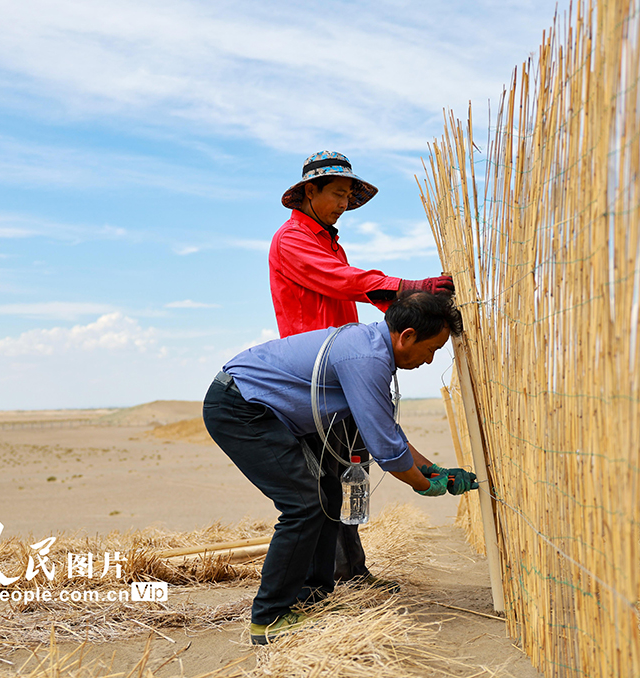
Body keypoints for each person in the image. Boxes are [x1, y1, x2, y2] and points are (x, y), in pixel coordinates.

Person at [202, 291, 477, 645]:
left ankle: (311, 598)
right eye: (433, 349)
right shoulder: (366, 356)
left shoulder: (370, 349)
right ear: (407, 336)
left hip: (263, 411)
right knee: (304, 502)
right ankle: (269, 617)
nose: (430, 360)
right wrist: (424, 485)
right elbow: (385, 448)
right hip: (240, 408)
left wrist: (431, 468)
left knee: (327, 495)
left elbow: (386, 430)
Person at [270, 150, 455, 585]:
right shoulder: (293, 239)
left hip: (344, 371)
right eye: (337, 194)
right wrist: (410, 288)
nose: (342, 204)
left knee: (350, 472)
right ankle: (333, 579)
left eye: (348, 196)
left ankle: (353, 572)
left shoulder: (328, 241)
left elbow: (349, 283)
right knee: (326, 482)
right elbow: (347, 281)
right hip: (318, 378)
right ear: (309, 192)